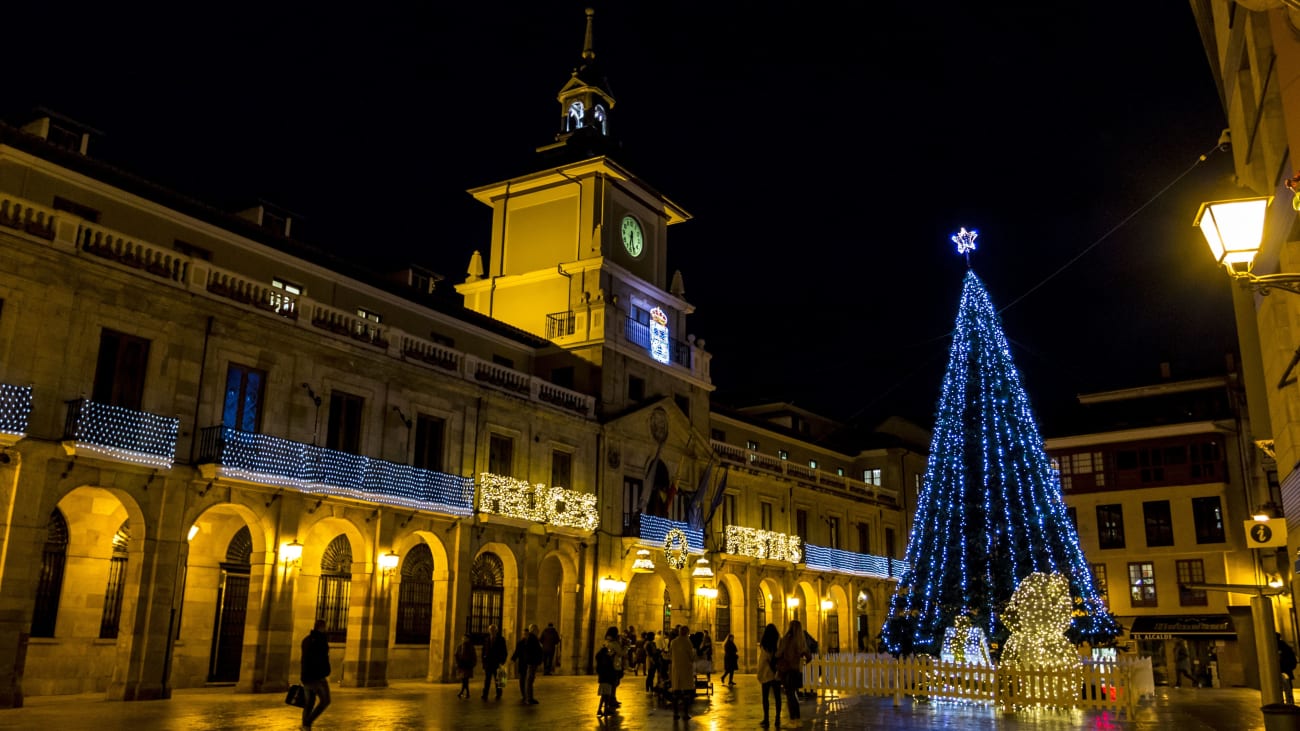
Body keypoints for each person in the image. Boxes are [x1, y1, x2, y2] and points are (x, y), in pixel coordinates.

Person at [777, 619, 811, 727]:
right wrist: (801, 661)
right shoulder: (801, 641)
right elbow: (809, 657)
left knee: (790, 696)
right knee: (795, 696)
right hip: (796, 671)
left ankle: (792, 720)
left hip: (787, 670)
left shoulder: (787, 639)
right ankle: (798, 720)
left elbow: (779, 653)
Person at [300, 618, 332, 731]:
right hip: (317, 677)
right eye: (325, 627)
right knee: (325, 700)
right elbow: (322, 659)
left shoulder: (306, 640)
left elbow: (304, 659)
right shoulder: (320, 640)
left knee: (309, 703)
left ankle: (305, 726)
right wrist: (325, 671)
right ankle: (307, 722)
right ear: (321, 627)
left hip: (306, 676)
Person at [757, 623, 782, 727]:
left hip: (766, 672)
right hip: (776, 672)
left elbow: (764, 659)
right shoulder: (778, 642)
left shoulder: (764, 643)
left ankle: (766, 719)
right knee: (777, 697)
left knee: (765, 697)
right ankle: (777, 718)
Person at [669, 625, 697, 720]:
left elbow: (670, 654)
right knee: (686, 693)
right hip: (686, 670)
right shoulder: (687, 642)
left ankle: (675, 713)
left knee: (676, 693)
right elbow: (691, 656)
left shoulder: (673, 642)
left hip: (676, 670)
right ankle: (685, 714)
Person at [481, 624, 508, 700]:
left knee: (499, 680)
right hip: (488, 663)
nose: (492, 631)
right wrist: (484, 662)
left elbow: (504, 651)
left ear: (496, 631)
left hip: (497, 662)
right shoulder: (486, 639)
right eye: (490, 630)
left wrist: (502, 661)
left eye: (493, 630)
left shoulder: (501, 639)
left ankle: (499, 693)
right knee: (487, 680)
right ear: (489, 630)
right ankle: (485, 694)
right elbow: (484, 651)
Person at [596, 638, 620, 717]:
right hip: (607, 680)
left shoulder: (600, 662)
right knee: (607, 696)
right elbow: (610, 669)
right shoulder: (606, 661)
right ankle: (604, 709)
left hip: (602, 680)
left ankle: (601, 709)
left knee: (604, 696)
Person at [454, 631, 476, 699]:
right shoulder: (460, 646)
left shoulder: (470, 647)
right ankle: (465, 692)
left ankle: (463, 692)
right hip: (461, 665)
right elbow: (456, 654)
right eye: (464, 638)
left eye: (466, 638)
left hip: (467, 665)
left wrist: (472, 663)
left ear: (468, 639)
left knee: (465, 679)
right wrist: (457, 662)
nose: (464, 639)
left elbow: (473, 656)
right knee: (464, 679)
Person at [1280, 633, 1298, 704]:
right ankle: (1290, 703)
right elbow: (1292, 660)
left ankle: (1287, 702)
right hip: (1287, 671)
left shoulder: (1280, 647)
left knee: (1285, 687)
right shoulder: (1286, 647)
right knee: (1288, 689)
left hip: (1284, 670)